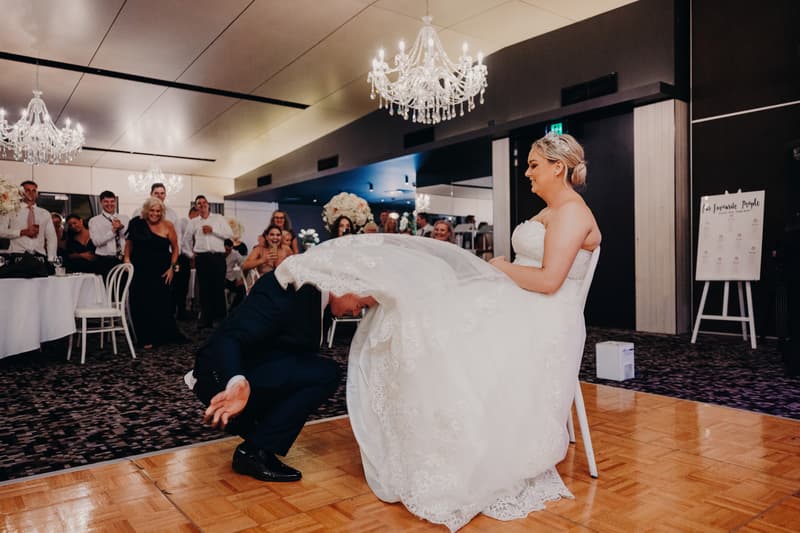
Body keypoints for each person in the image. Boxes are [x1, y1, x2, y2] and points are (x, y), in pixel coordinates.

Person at [272, 132, 600, 530]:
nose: (527, 172)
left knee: (446, 327)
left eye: (533, 164)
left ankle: (453, 433)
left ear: (557, 167)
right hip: (520, 299)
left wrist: (498, 268)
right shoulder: (554, 209)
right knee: (429, 303)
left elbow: (549, 281)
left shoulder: (571, 211)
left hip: (545, 314)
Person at [188, 270, 377, 482]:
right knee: (324, 374)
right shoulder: (287, 288)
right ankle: (254, 451)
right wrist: (236, 381)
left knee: (322, 371)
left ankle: (256, 444)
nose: (355, 313)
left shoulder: (317, 299)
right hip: (222, 377)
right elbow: (229, 338)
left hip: (260, 368)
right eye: (361, 306)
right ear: (345, 286)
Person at [124, 197, 185, 349]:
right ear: (146, 210)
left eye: (158, 211)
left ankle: (160, 336)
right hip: (140, 271)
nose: (155, 213)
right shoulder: (137, 224)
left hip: (162, 271)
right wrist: (126, 259)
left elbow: (175, 248)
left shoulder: (168, 225)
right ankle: (145, 337)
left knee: (161, 304)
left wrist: (172, 268)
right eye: (152, 210)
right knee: (140, 303)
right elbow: (129, 243)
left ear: (162, 212)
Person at [184, 195, 233, 328]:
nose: (202, 204)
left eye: (204, 202)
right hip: (202, 258)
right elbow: (186, 240)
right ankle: (206, 319)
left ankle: (220, 318)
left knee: (218, 287)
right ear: (196, 207)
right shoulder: (193, 222)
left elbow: (229, 234)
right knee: (204, 289)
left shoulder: (218, 218)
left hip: (217, 257)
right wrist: (190, 254)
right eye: (199, 203)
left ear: (208, 205)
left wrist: (213, 230)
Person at [0, 180, 57, 260]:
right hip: (18, 256)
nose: (31, 193)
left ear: (37, 194)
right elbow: (1, 231)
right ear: (21, 193)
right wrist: (22, 232)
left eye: (34, 190)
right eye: (27, 190)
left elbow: (51, 238)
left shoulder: (45, 213)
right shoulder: (10, 210)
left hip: (39, 258)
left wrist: (51, 258)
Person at [89, 190, 129, 279]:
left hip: (122, 259)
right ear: (101, 203)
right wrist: (113, 231)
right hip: (104, 261)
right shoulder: (94, 221)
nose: (109, 204)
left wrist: (121, 228)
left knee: (123, 289)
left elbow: (128, 238)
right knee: (106, 290)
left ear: (115, 202)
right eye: (106, 202)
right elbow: (96, 242)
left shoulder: (125, 218)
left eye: (112, 201)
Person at [173, 206, 199, 320]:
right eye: (198, 215)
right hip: (178, 258)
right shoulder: (182, 222)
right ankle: (174, 311)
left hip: (186, 259)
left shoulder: (195, 226)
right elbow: (180, 244)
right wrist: (192, 256)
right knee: (176, 284)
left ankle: (182, 311)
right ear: (192, 213)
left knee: (184, 286)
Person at [224, 238, 245, 309]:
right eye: (225, 249)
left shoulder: (235, 253)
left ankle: (233, 309)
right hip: (219, 278)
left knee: (242, 289)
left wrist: (240, 279)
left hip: (230, 278)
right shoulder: (217, 253)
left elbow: (243, 265)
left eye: (229, 250)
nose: (227, 252)